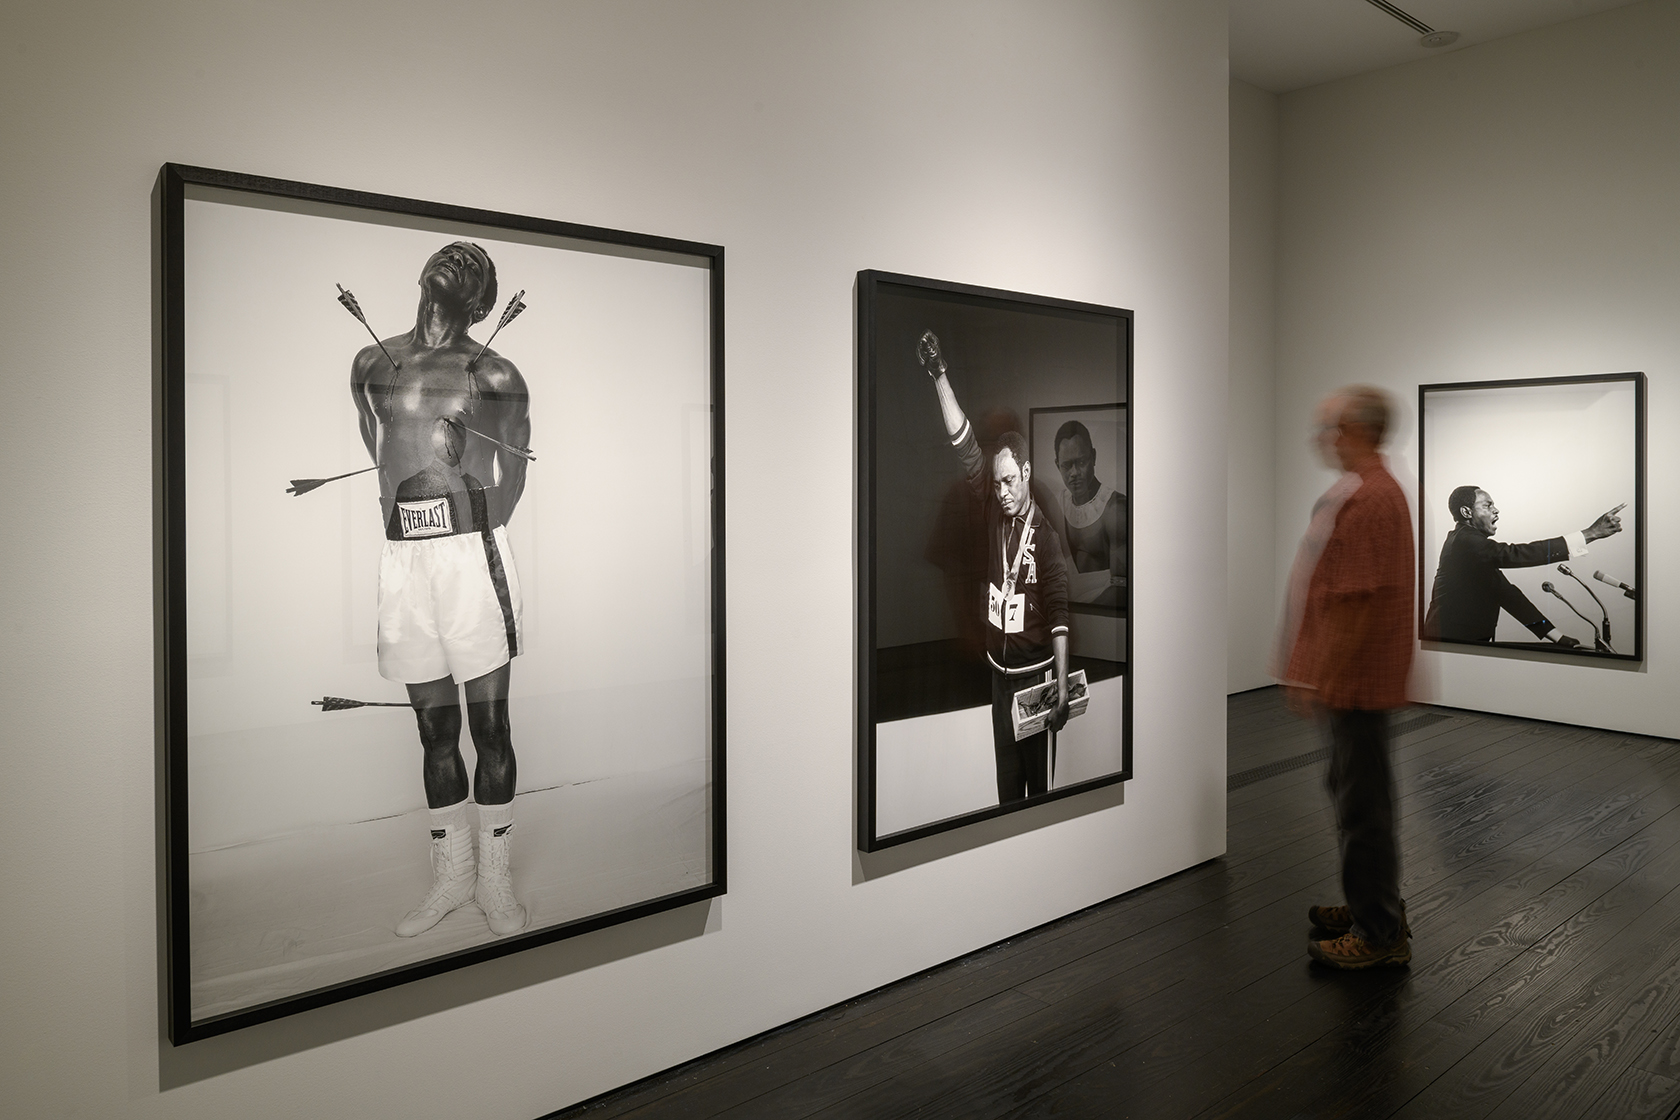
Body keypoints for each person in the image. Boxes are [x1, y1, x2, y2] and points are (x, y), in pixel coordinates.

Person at [350, 240, 532, 938]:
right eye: (450, 251)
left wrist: (465, 531)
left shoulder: (495, 369)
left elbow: (513, 473)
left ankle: (496, 881)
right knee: (433, 729)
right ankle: (451, 878)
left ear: (481, 299)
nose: (457, 258)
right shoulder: (371, 362)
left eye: (474, 263)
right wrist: (415, 530)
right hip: (404, 559)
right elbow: (377, 452)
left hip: (470, 556)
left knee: (489, 726)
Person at [1278, 387, 1414, 968]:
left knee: (1363, 806)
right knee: (1358, 796)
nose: (1320, 439)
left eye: (1329, 428)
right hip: (1353, 680)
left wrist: (1318, 677)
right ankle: (1371, 906)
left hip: (1355, 681)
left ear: (1354, 432)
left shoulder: (1371, 499)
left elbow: (1355, 604)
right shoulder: (1367, 492)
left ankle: (1379, 934)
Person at [917, 330, 1071, 804]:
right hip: (998, 674)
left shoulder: (1044, 535)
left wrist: (1062, 689)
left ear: (1025, 473)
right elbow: (962, 443)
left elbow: (1061, 616)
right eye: (996, 482)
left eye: (1009, 481)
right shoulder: (990, 507)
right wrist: (939, 373)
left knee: (1036, 791)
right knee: (1007, 789)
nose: (1001, 491)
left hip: (1037, 676)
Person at [1422, 486, 1623, 646]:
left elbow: (1509, 596)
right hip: (1447, 646)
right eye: (1488, 505)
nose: (1496, 510)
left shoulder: (1473, 549)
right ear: (1466, 512)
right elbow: (1516, 554)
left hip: (1458, 644)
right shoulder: (1465, 540)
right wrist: (1589, 534)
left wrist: (1557, 637)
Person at [1051, 421, 1127, 607]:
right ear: (1057, 465)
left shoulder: (1115, 509)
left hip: (1100, 616)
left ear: (1093, 457)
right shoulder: (1057, 504)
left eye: (1081, 462)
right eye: (1067, 466)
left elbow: (1122, 590)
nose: (1075, 473)